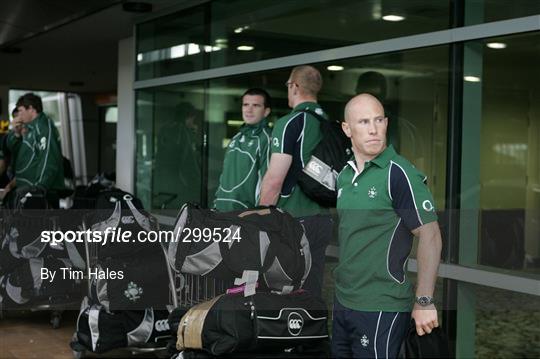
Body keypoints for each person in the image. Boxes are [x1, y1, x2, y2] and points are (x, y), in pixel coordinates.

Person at [332, 93, 442, 358]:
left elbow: (431, 236)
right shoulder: (345, 176)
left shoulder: (399, 174)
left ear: (386, 123)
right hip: (343, 300)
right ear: (347, 129)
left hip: (382, 305)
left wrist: (424, 301)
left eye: (379, 120)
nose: (373, 129)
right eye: (363, 122)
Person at [259, 65, 332, 297]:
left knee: (284, 289)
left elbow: (274, 180)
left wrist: (260, 217)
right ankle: (312, 330)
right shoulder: (328, 122)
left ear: (295, 86)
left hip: (293, 218)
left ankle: (288, 331)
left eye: (289, 85)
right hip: (322, 219)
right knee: (311, 288)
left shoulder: (291, 122)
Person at [214, 88, 272, 211]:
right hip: (221, 209)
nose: (249, 110)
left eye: (256, 105)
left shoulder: (267, 139)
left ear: (266, 111)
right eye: (246, 104)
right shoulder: (236, 138)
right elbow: (224, 176)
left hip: (245, 214)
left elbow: (267, 182)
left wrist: (258, 214)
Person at [4, 93, 65, 207]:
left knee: (41, 224)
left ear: (31, 109)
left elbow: (48, 158)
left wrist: (40, 187)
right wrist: (16, 133)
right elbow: (11, 149)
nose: (19, 115)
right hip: (25, 189)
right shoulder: (28, 128)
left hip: (40, 192)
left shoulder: (43, 127)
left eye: (21, 111)